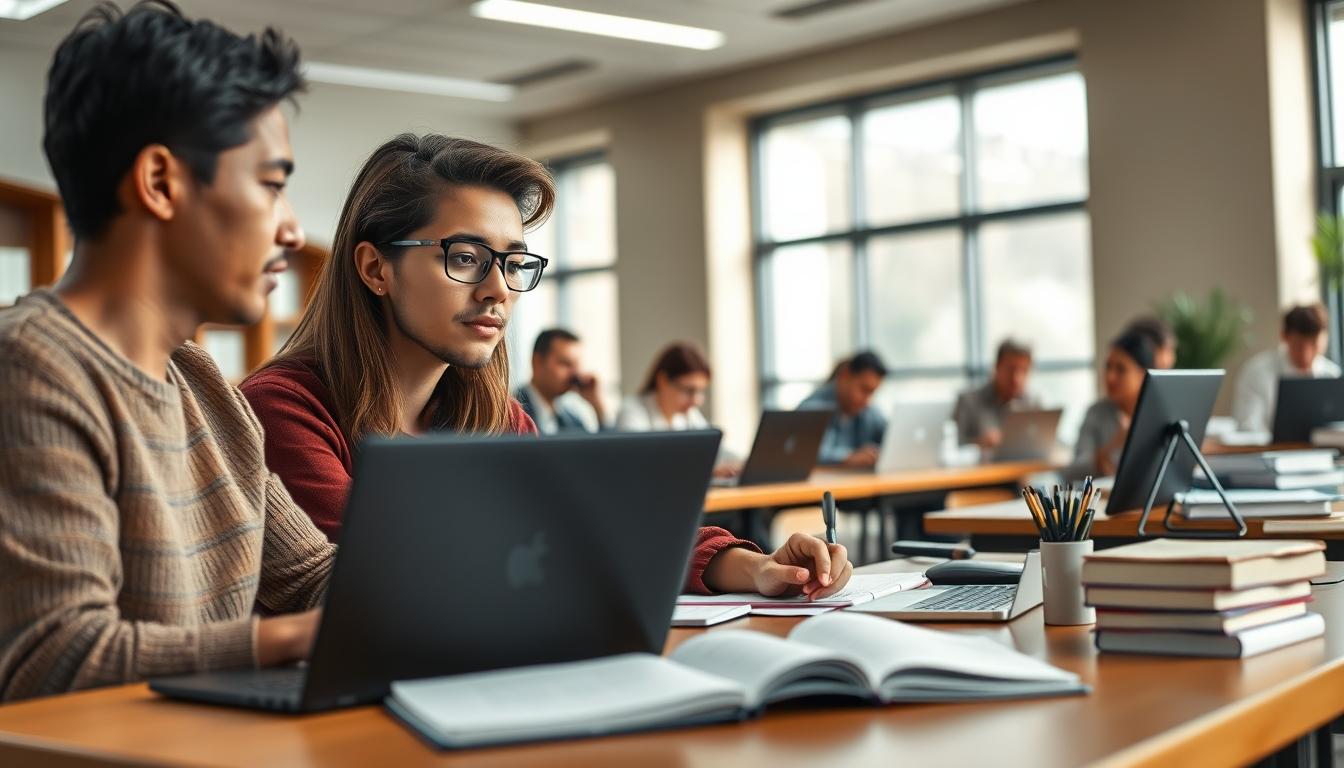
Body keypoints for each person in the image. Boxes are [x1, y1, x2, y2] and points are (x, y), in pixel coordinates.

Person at [242, 137, 850, 599]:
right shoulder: (283, 410)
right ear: (376, 269)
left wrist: (758, 567)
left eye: (512, 263)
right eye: (465, 257)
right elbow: (385, 582)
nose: (498, 290)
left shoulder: (496, 417)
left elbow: (598, 524)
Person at [0, 1, 334, 702]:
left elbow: (307, 577)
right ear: (160, 183)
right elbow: (55, 655)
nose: (293, 231)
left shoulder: (200, 381)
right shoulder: (31, 366)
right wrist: (296, 639)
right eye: (272, 185)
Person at [1231, 303, 1342, 433]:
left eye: (1314, 344)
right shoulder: (1257, 372)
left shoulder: (1333, 375)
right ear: (1284, 336)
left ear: (1325, 339)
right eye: (1299, 346)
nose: (1306, 355)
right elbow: (1247, 427)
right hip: (1271, 452)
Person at [1065, 329, 1156, 480]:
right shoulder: (1096, 412)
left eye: (1121, 369)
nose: (1110, 377)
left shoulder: (1158, 413)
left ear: (1143, 374)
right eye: (1108, 367)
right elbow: (1075, 469)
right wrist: (1113, 446)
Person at [799, 351, 889, 468]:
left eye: (872, 393)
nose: (867, 400)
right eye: (864, 390)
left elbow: (890, 438)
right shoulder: (812, 410)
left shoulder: (868, 410)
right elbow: (807, 454)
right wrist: (848, 457)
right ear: (845, 376)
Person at [952, 339, 1040, 450]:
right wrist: (979, 443)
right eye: (1010, 370)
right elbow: (954, 448)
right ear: (996, 367)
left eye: (1024, 370)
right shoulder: (968, 401)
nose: (1016, 379)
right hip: (983, 466)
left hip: (1025, 466)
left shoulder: (1033, 403)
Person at [515, 328, 606, 434]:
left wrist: (598, 407)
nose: (575, 374)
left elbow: (603, 450)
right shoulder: (509, 415)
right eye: (566, 364)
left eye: (577, 366)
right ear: (537, 362)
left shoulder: (574, 422)